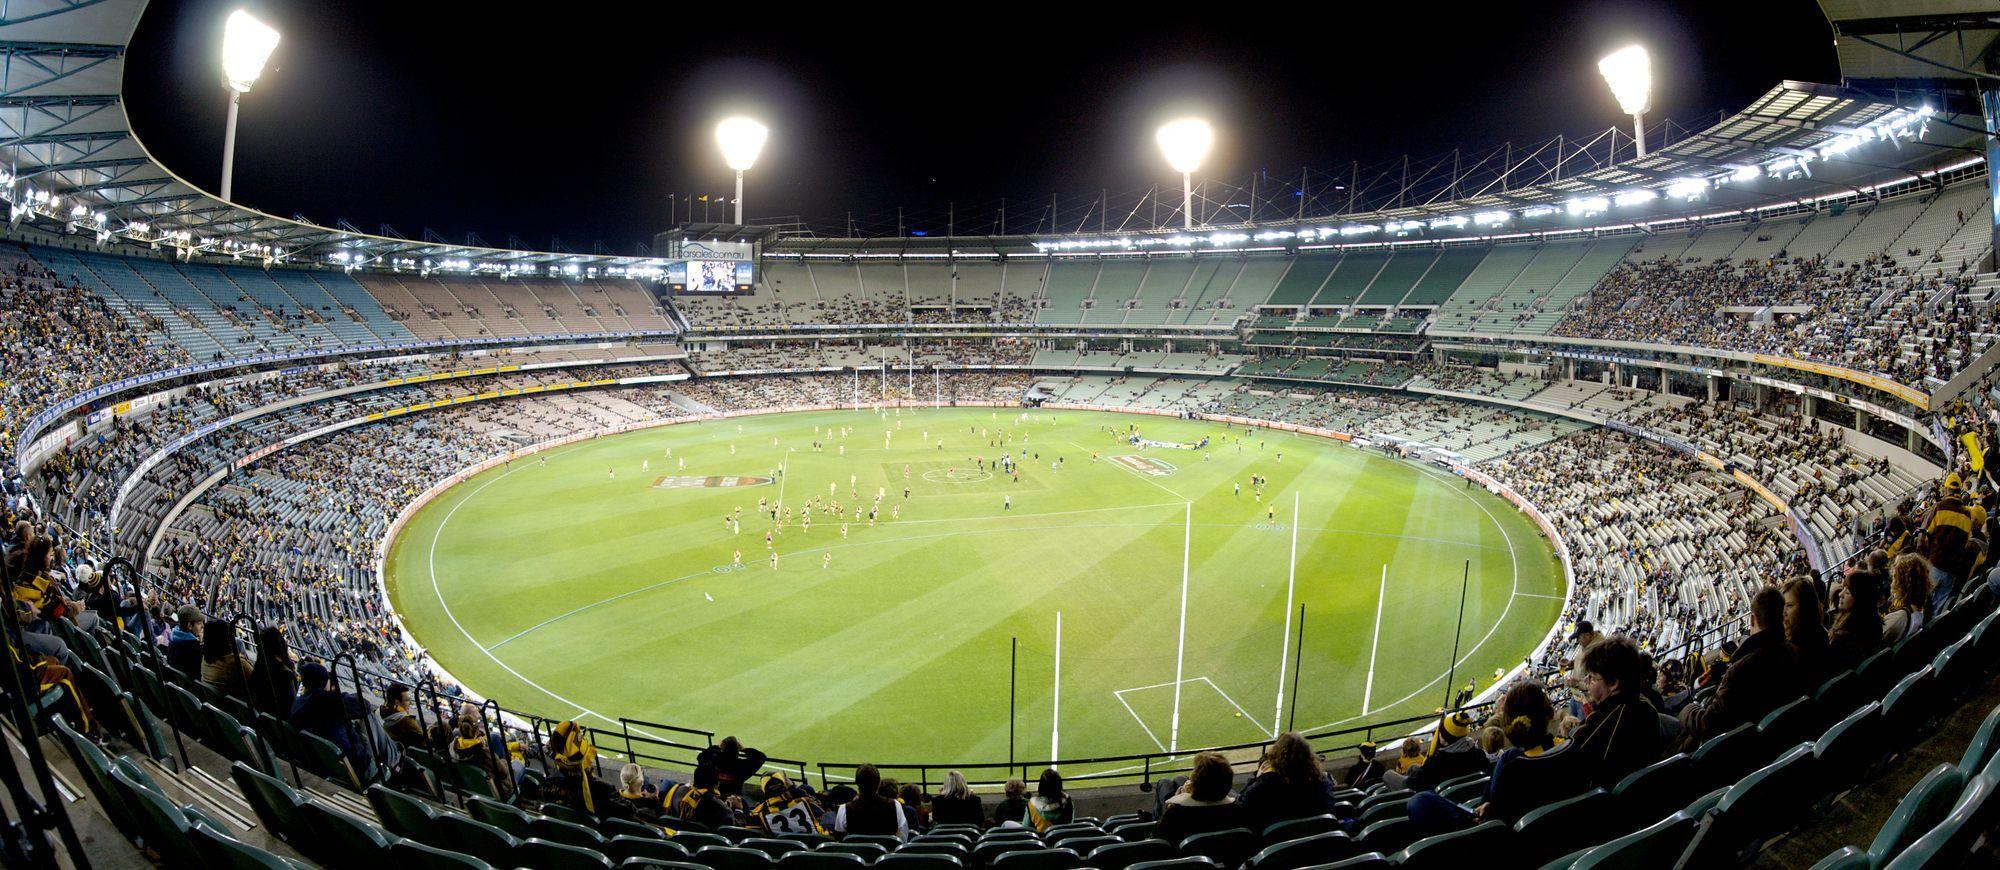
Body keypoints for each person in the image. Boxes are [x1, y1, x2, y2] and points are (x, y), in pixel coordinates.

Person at [1679, 586, 1800, 750]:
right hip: (1772, 744)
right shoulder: (1793, 652)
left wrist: (1687, 709)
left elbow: (1707, 725)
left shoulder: (1742, 669)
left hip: (1734, 750)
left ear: (1752, 619)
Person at [1567, 634, 1667, 786]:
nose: (1587, 683)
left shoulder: (1603, 724)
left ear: (1613, 684)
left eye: (1593, 678)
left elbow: (1571, 764)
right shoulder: (1646, 706)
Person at [1238, 732, 1336, 831]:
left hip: (1273, 838)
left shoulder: (1267, 782)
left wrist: (1257, 777)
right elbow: (1329, 803)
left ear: (1275, 754)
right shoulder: (1321, 779)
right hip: (1311, 835)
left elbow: (1242, 802)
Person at [1155, 751, 1251, 844]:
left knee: (1164, 782)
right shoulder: (1238, 810)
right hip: (1225, 855)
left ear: (1195, 786)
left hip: (1189, 856)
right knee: (1179, 778)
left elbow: (1161, 840)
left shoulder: (1175, 813)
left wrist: (1174, 802)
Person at [1828, 569, 1886, 671]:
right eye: (1843, 588)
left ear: (1860, 598)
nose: (1840, 594)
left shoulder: (1842, 639)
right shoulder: (1875, 621)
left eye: (1848, 592)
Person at [833, 764, 908, 840]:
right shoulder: (895, 805)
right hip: (887, 851)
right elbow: (902, 838)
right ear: (879, 782)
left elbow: (840, 840)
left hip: (857, 851)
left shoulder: (844, 809)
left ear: (857, 783)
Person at [1783, 576, 1832, 685]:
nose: (1783, 612)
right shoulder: (1822, 633)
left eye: (1789, 606)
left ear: (1806, 607)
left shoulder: (1794, 651)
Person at [247, 626, 298, 719]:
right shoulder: (284, 674)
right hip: (280, 724)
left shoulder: (259, 666)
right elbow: (291, 708)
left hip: (265, 721)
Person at [198, 618, 254, 701]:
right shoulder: (237, 663)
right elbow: (256, 678)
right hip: (236, 708)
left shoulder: (205, 658)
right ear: (226, 638)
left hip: (219, 706)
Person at [696, 736, 768, 799]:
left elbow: (702, 755)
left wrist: (718, 747)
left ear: (722, 748)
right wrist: (743, 749)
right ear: (737, 750)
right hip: (734, 800)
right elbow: (761, 756)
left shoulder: (714, 761)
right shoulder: (742, 766)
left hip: (713, 797)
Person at [1883, 553, 1933, 643]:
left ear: (1903, 583)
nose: (1892, 583)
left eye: (1895, 578)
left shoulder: (1898, 619)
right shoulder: (1926, 601)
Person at [1022, 767, 1073, 832]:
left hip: (1040, 841)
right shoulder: (1067, 801)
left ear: (1041, 786)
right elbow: (1070, 825)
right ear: (1059, 785)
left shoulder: (1031, 805)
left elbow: (1025, 828)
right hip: (1062, 840)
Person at [164, 604, 203, 678]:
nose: (202, 627)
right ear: (189, 626)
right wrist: (198, 644)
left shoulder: (174, 637)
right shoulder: (194, 650)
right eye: (199, 623)